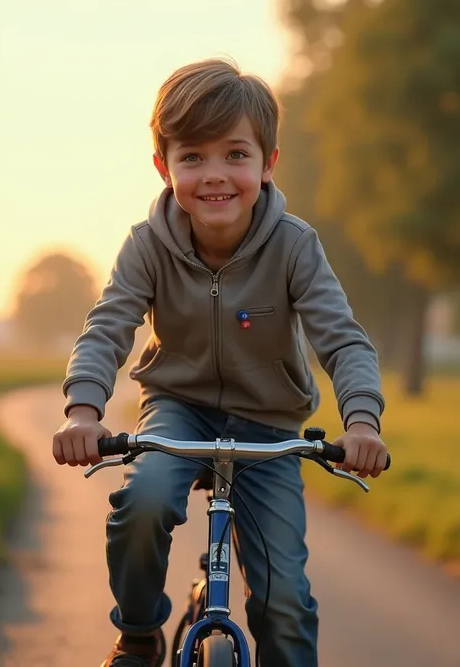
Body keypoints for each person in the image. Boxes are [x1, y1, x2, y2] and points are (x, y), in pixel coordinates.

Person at [52, 58, 388, 667]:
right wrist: (83, 411)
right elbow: (107, 328)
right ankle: (138, 631)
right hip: (175, 413)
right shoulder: (147, 245)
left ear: (268, 163)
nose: (215, 175)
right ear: (164, 166)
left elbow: (343, 341)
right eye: (193, 157)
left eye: (236, 155)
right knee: (145, 499)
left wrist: (362, 423)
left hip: (267, 424)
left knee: (285, 600)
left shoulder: (294, 245)